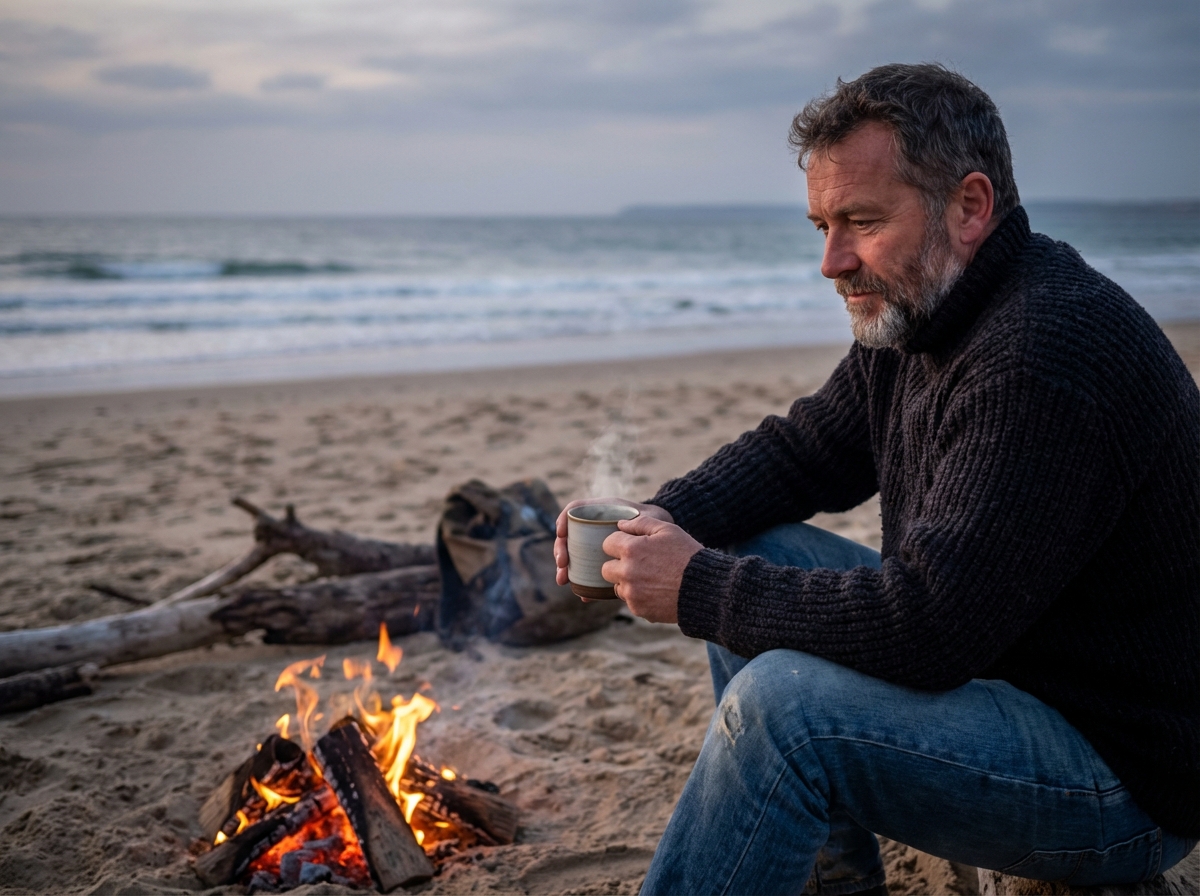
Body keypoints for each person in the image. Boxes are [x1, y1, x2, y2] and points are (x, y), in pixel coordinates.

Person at [554, 63, 1198, 895]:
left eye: (861, 220)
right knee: (743, 541)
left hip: (1120, 775)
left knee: (783, 709)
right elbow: (802, 453)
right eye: (822, 224)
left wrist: (696, 587)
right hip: (1016, 671)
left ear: (970, 207)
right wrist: (656, 520)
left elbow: (930, 628)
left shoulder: (1042, 353)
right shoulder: (927, 314)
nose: (830, 260)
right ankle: (834, 877)